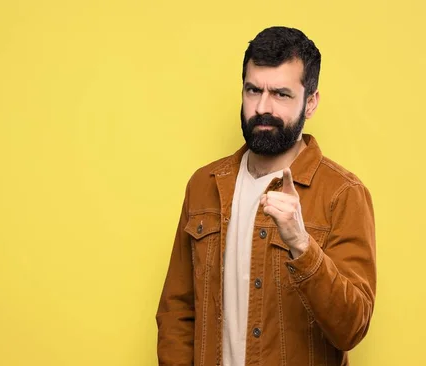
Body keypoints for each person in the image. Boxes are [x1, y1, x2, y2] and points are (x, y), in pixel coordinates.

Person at [156, 26, 376, 366]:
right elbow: (177, 310)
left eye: (281, 94)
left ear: (311, 102)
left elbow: (351, 327)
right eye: (253, 90)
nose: (262, 107)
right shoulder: (204, 184)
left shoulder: (343, 194)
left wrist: (301, 244)